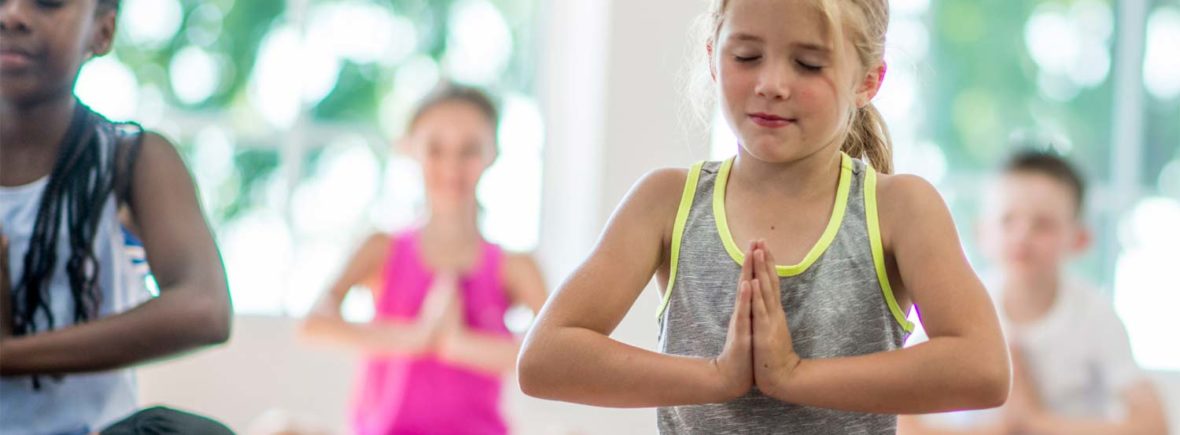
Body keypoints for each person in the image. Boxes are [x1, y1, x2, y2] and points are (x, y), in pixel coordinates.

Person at [517, 0, 1011, 432]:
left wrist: (794, 376)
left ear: (868, 80)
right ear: (713, 56)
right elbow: (544, 359)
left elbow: (983, 368)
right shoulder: (664, 202)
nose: (772, 84)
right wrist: (717, 376)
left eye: (808, 63)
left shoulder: (901, 209)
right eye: (748, 56)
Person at [0, 0, 232, 433]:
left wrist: (10, 355)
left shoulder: (131, 160)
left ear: (102, 32)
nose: (12, 15)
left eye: (47, 2)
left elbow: (204, 308)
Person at [300, 83, 548, 435]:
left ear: (492, 153)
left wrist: (456, 344)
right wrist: (416, 337)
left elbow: (552, 355)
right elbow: (315, 323)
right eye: (436, 148)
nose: (452, 165)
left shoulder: (514, 266)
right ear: (409, 149)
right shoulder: (381, 248)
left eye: (469, 149)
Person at [898, 149, 1169, 435]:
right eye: (1007, 220)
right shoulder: (956, 307)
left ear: (1079, 239)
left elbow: (1153, 426)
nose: (1022, 235)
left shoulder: (1095, 315)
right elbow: (900, 418)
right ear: (981, 233)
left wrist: (1032, 422)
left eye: (1043, 224)